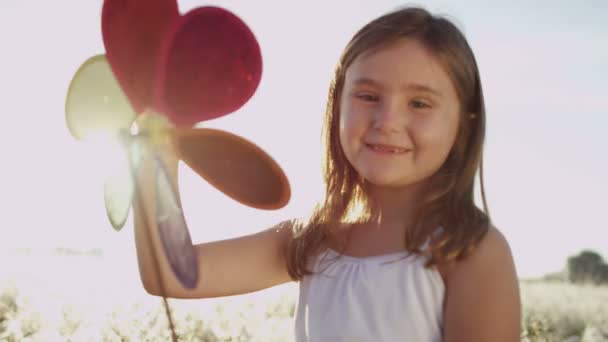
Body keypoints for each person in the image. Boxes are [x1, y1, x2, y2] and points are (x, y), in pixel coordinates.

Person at [132, 6, 521, 341]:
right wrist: (154, 154)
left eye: (419, 103)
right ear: (337, 105)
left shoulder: (470, 252)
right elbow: (167, 272)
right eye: (367, 96)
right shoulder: (311, 240)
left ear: (464, 124)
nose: (387, 121)